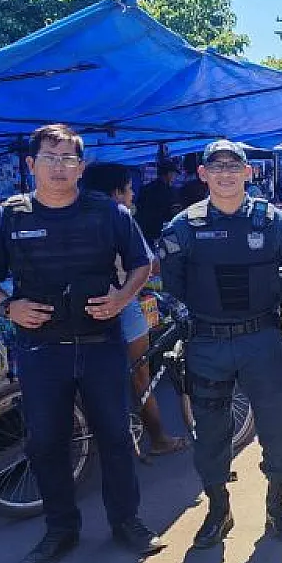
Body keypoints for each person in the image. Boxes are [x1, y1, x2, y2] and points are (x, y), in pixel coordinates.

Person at [0, 124, 164, 563]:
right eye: (49, 158)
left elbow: (142, 263)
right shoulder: (8, 217)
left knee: (115, 436)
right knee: (46, 442)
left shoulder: (108, 212)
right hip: (41, 349)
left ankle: (127, 522)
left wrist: (122, 298)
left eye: (68, 159)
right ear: (31, 164)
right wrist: (7, 307)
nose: (59, 167)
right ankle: (60, 530)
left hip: (101, 345)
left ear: (81, 166)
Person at [158, 140, 282, 549]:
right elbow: (172, 285)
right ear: (202, 174)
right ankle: (218, 510)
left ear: (248, 172)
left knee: (276, 428)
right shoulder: (183, 228)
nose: (225, 173)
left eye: (233, 165)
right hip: (207, 344)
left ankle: (277, 506)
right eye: (216, 166)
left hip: (262, 341)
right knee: (210, 433)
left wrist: (264, 306)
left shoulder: (273, 222)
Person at [81, 164, 187, 457]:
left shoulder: (71, 214)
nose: (131, 196)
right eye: (129, 190)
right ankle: (159, 438)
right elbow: (149, 264)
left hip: (78, 307)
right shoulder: (118, 216)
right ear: (116, 192)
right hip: (118, 301)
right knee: (140, 372)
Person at [135, 160, 183, 244]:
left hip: (143, 232)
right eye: (174, 174)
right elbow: (171, 213)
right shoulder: (169, 192)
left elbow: (138, 209)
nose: (175, 177)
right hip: (159, 233)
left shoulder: (146, 188)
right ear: (169, 174)